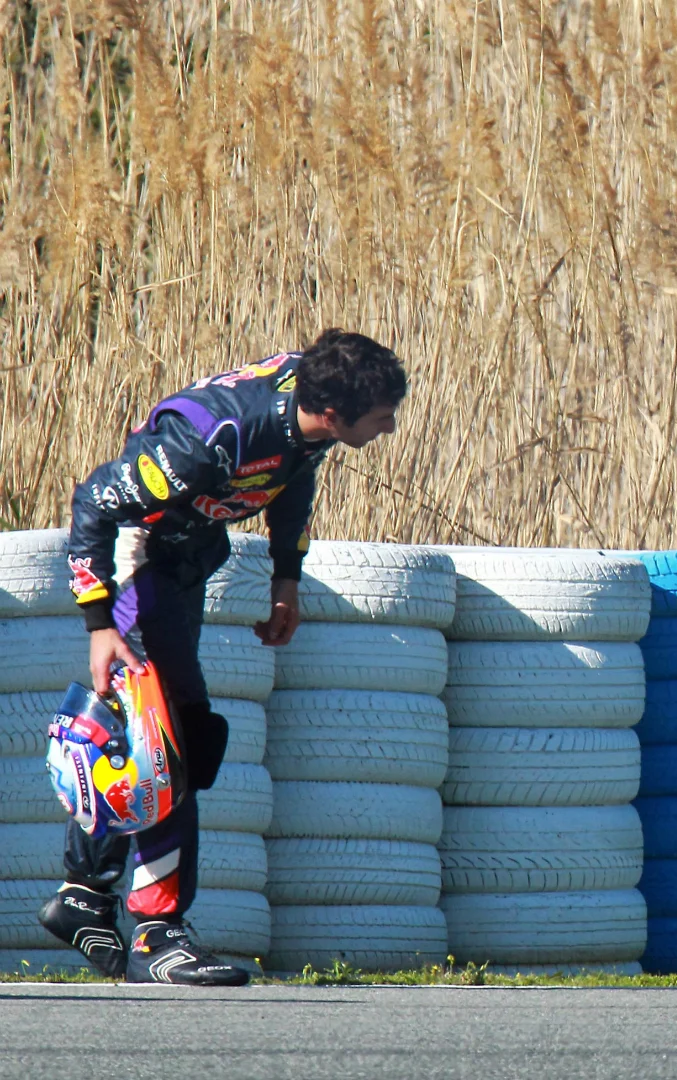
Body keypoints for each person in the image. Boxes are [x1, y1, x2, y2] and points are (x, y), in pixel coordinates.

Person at [38, 330, 406, 985]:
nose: (392, 426)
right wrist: (99, 624)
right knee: (166, 746)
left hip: (185, 558)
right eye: (382, 416)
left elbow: (296, 475)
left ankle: (84, 897)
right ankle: (158, 933)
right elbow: (93, 502)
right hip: (136, 561)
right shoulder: (209, 444)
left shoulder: (311, 418)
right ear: (337, 412)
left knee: (173, 739)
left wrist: (285, 576)